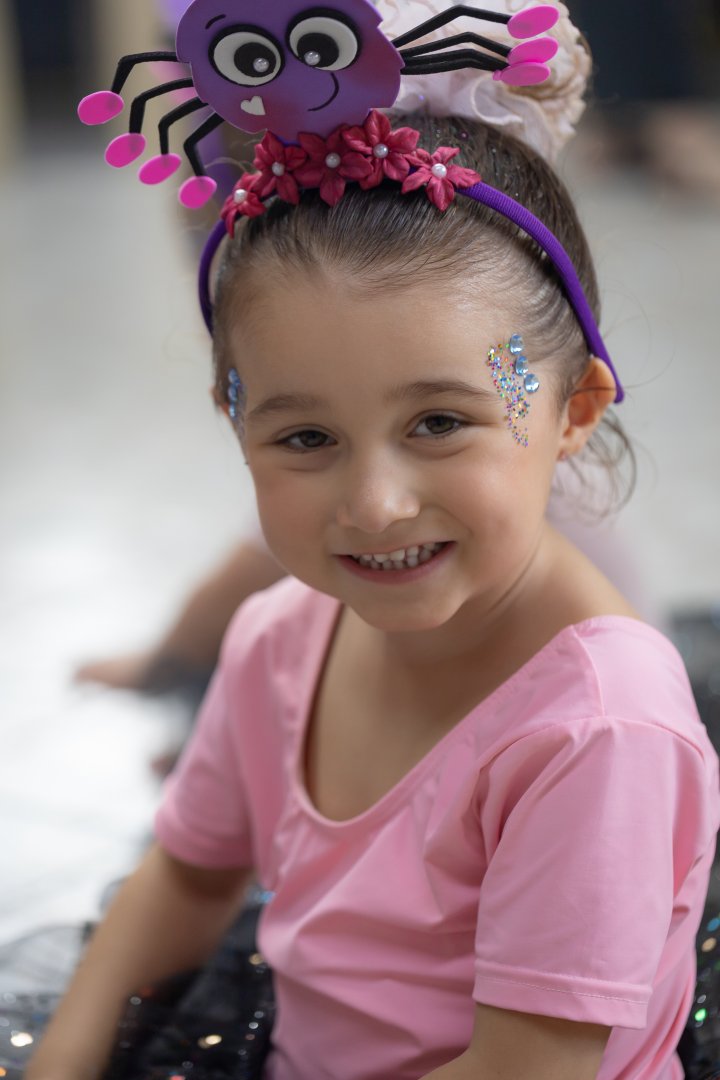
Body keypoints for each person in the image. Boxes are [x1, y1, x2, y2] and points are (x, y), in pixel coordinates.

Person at [25, 2, 720, 1078]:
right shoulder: (279, 636)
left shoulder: (599, 732)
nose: (377, 504)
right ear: (235, 426)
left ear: (574, 409)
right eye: (306, 438)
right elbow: (187, 873)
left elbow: (523, 1068)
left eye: (439, 422)